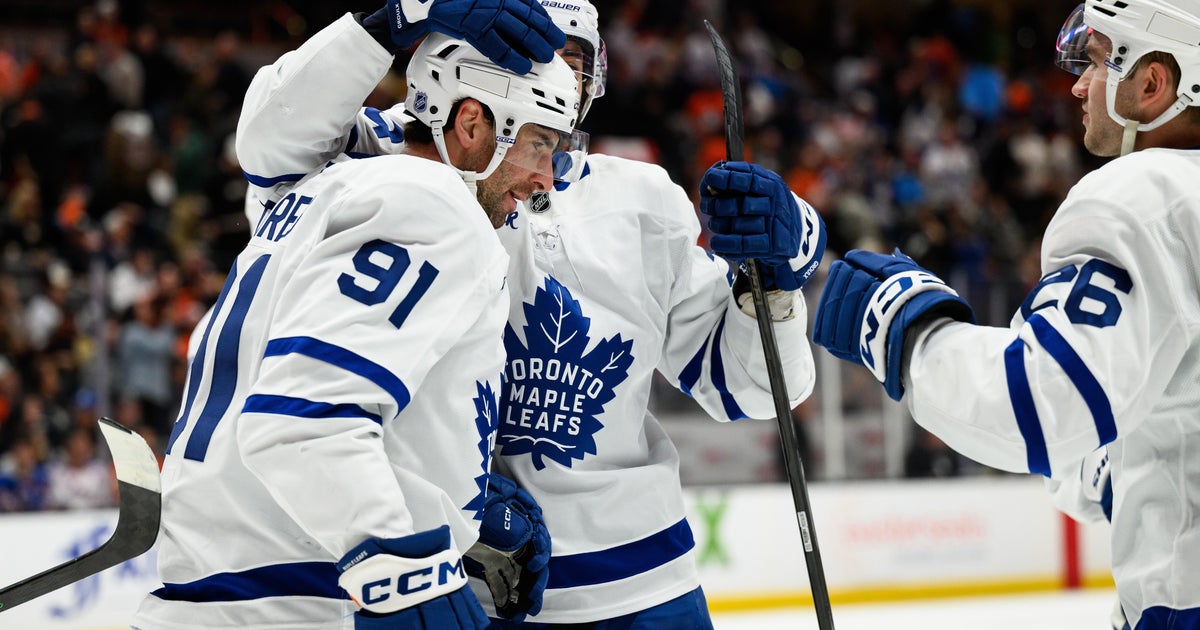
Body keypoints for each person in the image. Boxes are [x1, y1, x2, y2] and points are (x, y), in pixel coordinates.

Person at [234, 0, 826, 626]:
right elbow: (270, 147)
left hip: (644, 587)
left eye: (570, 64)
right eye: (530, 57)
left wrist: (774, 285)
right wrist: (390, 18)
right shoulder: (390, 163)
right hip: (460, 585)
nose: (556, 85)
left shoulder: (642, 199)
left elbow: (753, 388)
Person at [131, 32, 582, 629]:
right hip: (298, 605)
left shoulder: (322, 189)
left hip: (225, 590)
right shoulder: (435, 204)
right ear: (472, 123)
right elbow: (302, 420)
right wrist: (405, 572)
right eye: (539, 144)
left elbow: (301, 388)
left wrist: (447, 494)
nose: (546, 178)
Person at [811, 1, 1200, 628]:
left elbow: (1039, 408)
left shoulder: (1147, 194)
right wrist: (1123, 460)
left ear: (1154, 82)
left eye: (1099, 62)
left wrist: (904, 326)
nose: (1077, 84)